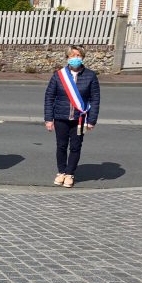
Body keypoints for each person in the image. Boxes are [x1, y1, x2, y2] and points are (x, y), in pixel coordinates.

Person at [43, 45, 100, 188]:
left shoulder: (90, 76)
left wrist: (91, 120)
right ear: (67, 58)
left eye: (78, 55)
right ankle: (61, 172)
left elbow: (95, 99)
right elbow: (49, 97)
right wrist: (49, 119)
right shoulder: (58, 75)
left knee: (75, 147)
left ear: (83, 57)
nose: (75, 58)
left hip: (80, 119)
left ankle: (69, 174)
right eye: (72, 56)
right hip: (61, 117)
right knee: (61, 146)